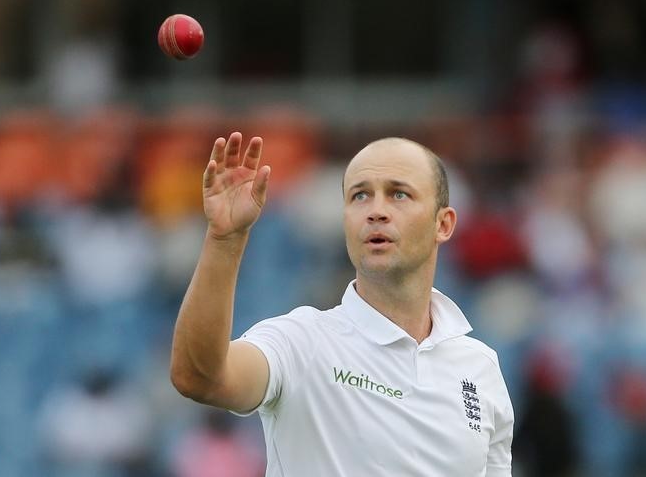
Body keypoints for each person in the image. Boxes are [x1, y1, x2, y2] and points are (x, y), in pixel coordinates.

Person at [170, 132, 514, 476]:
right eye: (360, 195)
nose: (376, 211)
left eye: (399, 194)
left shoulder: (480, 367)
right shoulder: (301, 341)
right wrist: (225, 238)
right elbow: (200, 378)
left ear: (443, 224)